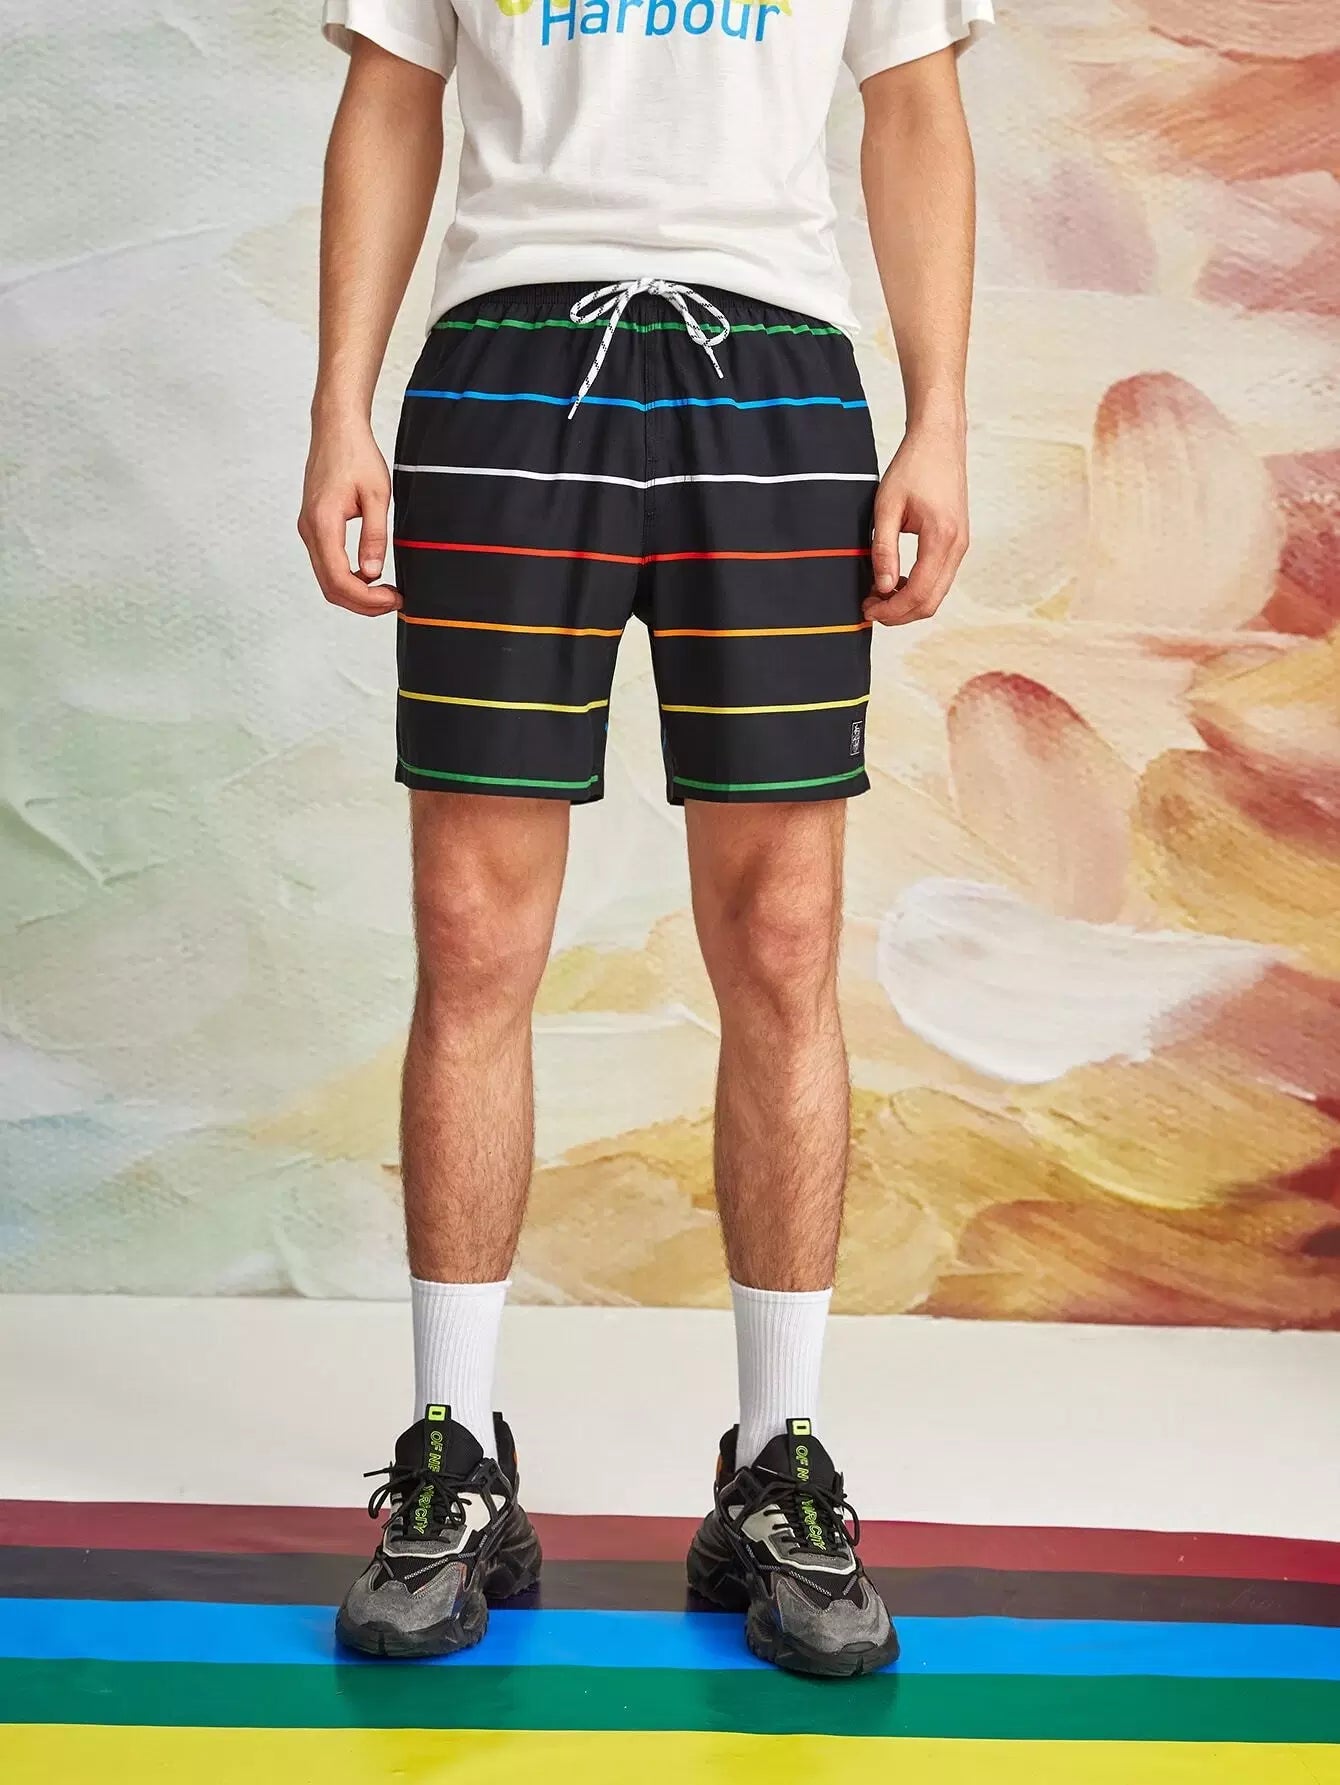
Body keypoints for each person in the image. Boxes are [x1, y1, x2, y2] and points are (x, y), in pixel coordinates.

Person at [301, 0, 991, 1678]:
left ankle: (776, 1464)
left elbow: (912, 109)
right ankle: (456, 1456)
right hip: (504, 368)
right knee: (474, 933)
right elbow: (392, 95)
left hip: (775, 377)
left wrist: (942, 415)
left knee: (783, 936)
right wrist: (339, 406)